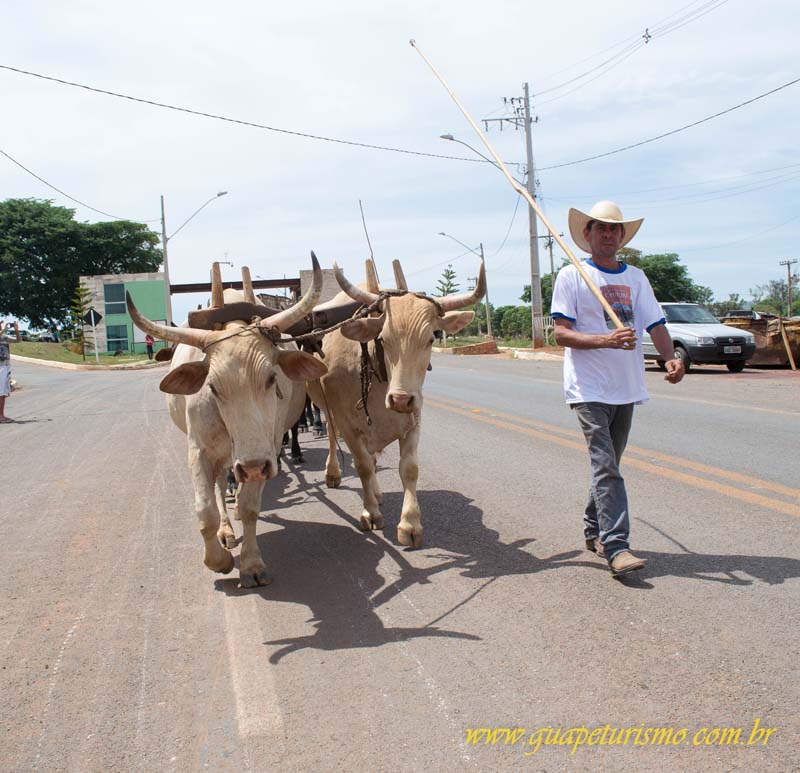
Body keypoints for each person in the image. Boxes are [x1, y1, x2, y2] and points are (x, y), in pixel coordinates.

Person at [551, 201, 684, 577]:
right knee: (605, 465)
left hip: (626, 387)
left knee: (609, 466)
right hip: (588, 388)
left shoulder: (637, 278)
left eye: (615, 229)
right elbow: (561, 333)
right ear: (588, 235)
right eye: (601, 229)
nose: (608, 235)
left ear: (622, 237)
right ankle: (616, 545)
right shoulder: (572, 275)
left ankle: (594, 529)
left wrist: (671, 358)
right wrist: (605, 340)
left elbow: (656, 325)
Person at [0, 330, 12, 423]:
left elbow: (18, 340)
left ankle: (1, 415)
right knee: (1, 392)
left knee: (3, 392)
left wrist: (16, 330)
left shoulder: (5, 336)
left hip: (5, 365)